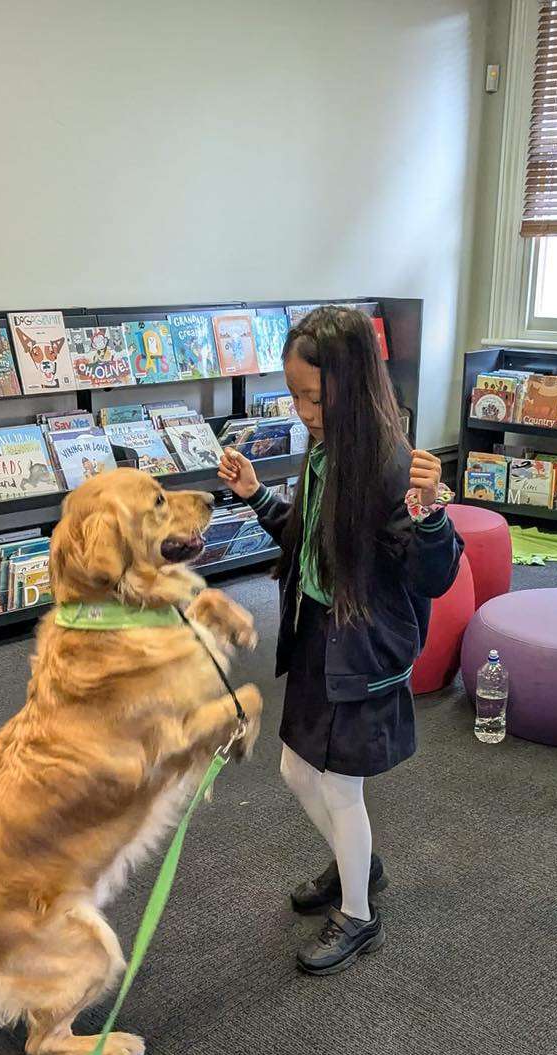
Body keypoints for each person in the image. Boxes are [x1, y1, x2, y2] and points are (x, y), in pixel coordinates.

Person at [218, 305, 463, 975]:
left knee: (341, 788)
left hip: (364, 651)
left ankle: (358, 915)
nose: (303, 411)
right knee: (297, 769)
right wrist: (254, 495)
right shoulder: (327, 452)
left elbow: (435, 576)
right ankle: (360, 864)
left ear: (351, 385)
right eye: (294, 395)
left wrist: (432, 509)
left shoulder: (388, 464)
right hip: (320, 637)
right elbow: (307, 544)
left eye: (314, 397)